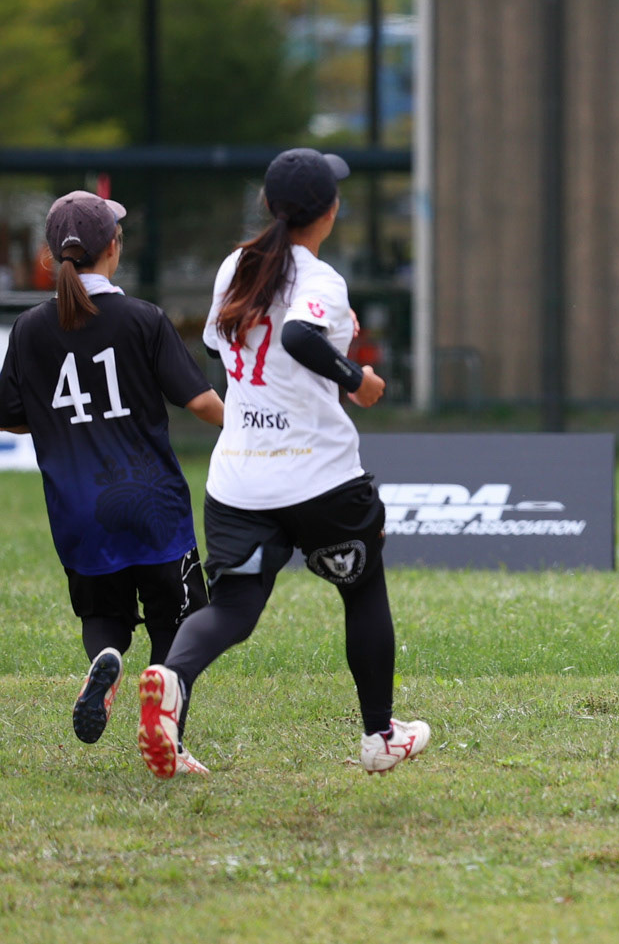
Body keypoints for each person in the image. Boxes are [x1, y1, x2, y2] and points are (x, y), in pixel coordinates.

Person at [135, 149, 430, 779]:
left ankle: (172, 677)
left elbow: (220, 348)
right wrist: (356, 379)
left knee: (233, 608)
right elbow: (296, 336)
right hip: (320, 478)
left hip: (241, 479)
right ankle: (381, 735)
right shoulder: (321, 280)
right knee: (362, 589)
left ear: (269, 206)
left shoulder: (234, 268)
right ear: (329, 211)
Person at [0, 191, 224, 753]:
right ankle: (164, 732)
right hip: (152, 503)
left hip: (78, 510)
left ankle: (106, 657)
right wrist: (256, 428)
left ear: (52, 255)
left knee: (104, 612)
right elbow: (200, 402)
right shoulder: (144, 319)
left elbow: (6, 416)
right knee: (179, 618)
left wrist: (58, 424)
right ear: (114, 247)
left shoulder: (29, 328)